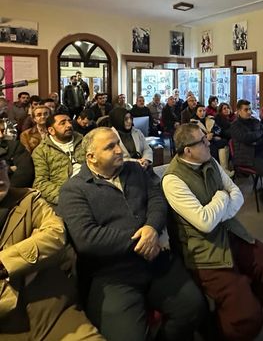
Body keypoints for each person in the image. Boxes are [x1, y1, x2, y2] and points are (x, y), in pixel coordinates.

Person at [58, 127, 206, 341]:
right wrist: (143, 238)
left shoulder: (135, 170)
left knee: (193, 308)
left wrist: (152, 228)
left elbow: (157, 198)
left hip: (155, 260)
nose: (120, 150)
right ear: (91, 157)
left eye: (118, 143)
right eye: (110, 147)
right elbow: (87, 239)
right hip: (113, 274)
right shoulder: (74, 190)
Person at [162, 124, 263, 341]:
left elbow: (237, 193)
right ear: (188, 150)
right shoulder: (173, 180)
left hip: (232, 232)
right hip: (205, 250)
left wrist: (219, 210)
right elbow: (205, 223)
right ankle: (221, 328)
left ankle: (237, 311)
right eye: (203, 142)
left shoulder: (210, 160)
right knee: (249, 319)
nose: (209, 143)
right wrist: (221, 198)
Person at [0, 161, 104, 340]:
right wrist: (34, 252)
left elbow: (55, 235)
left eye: (0, 167)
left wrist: (4, 263)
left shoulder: (27, 200)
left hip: (52, 312)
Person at [32, 113, 85, 206]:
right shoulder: (41, 151)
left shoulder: (84, 141)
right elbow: (41, 182)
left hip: (91, 187)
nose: (69, 125)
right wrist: (65, 197)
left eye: (69, 121)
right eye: (63, 123)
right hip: (65, 194)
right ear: (51, 130)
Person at [190, 104, 231, 175]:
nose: (202, 113)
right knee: (213, 147)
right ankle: (216, 170)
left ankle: (224, 169)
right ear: (196, 112)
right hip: (201, 142)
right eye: (200, 111)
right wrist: (205, 137)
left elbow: (218, 129)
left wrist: (212, 133)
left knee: (224, 143)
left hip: (212, 139)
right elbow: (194, 136)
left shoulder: (210, 119)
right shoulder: (193, 123)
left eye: (204, 110)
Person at [0, 120, 34, 187]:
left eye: (2, 131)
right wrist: (9, 169)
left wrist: (7, 190)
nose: (1, 135)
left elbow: (26, 171)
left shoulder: (15, 146)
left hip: (13, 191)